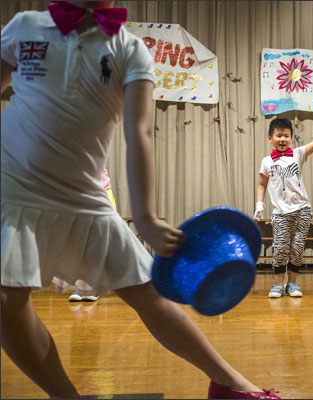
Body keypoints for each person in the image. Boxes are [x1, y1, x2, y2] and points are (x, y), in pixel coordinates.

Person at [1, 2, 279, 399]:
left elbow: (140, 133)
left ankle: (230, 383)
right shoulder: (24, 26)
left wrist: (146, 217)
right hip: (13, 186)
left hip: (84, 196)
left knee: (147, 292)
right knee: (6, 298)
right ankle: (65, 395)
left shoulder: (129, 49)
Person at [254, 118, 313, 298]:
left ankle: (293, 284)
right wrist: (259, 204)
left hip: (302, 210)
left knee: (297, 249)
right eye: (279, 136)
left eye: (286, 136)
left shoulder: (297, 154)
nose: (282, 139)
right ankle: (278, 285)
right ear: (270, 138)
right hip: (280, 213)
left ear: (291, 138)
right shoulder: (266, 161)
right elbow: (261, 185)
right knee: (280, 248)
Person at [68, 168, 115, 302]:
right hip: (79, 194)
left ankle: (92, 289)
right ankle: (80, 288)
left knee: (96, 246)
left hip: (101, 194)